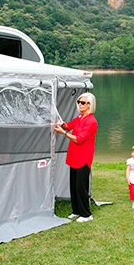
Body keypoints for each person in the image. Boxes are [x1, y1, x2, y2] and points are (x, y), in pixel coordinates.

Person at [53, 92, 98, 223]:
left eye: (82, 102)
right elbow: (69, 125)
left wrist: (64, 133)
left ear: (89, 105)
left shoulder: (91, 121)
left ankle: (86, 214)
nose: (79, 104)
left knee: (81, 187)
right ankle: (76, 210)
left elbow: (79, 139)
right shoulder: (79, 117)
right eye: (78, 101)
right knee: (73, 185)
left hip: (84, 157)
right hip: (74, 155)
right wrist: (63, 124)